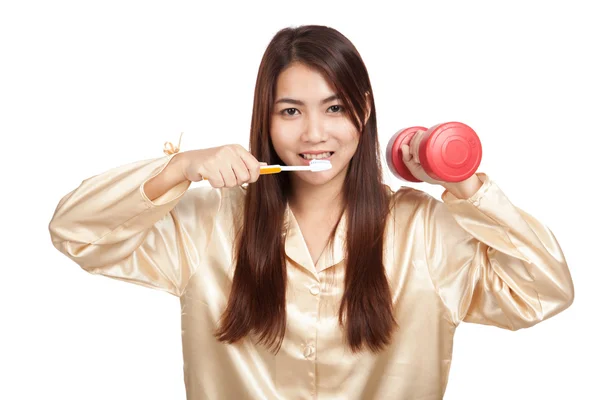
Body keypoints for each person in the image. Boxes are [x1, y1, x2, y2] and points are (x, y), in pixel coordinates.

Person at [48, 25, 574, 399]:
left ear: (363, 112)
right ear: (266, 121)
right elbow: (77, 232)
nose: (314, 134)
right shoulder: (206, 224)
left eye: (335, 108)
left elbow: (543, 291)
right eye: (291, 111)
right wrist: (178, 168)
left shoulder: (425, 230)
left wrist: (464, 184)